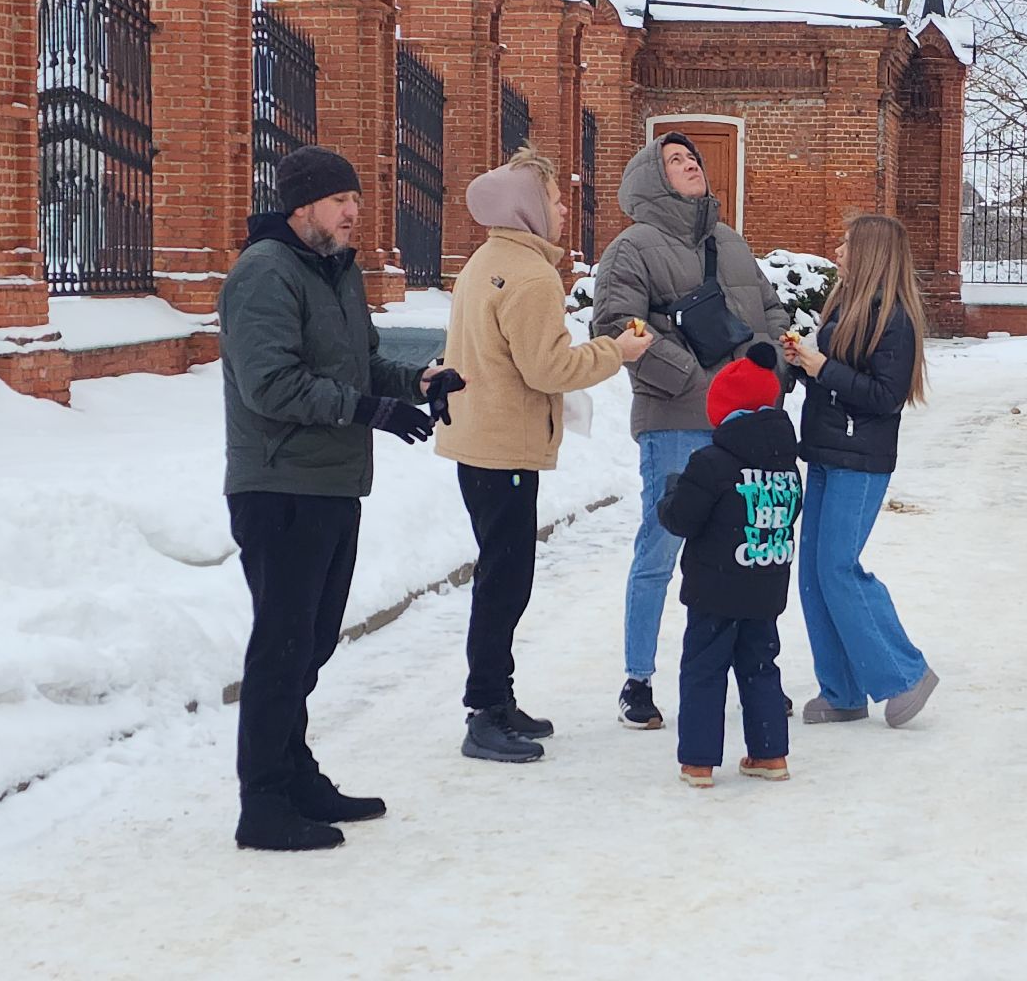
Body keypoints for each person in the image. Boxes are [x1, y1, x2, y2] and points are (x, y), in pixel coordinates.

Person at [218, 145, 458, 851]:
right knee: (282, 646)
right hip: (279, 485)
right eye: (340, 201)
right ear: (301, 208)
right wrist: (367, 412)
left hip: (328, 483)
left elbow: (359, 361)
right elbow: (272, 386)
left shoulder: (333, 272)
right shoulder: (264, 274)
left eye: (355, 199)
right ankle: (262, 800)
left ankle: (294, 775)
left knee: (310, 642)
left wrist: (414, 382)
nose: (355, 212)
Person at [435, 148, 654, 763]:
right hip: (502, 445)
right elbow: (548, 367)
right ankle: (485, 711)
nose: (563, 209)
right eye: (556, 199)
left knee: (502, 576)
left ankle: (497, 700)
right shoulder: (530, 275)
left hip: (480, 439)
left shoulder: (487, 260)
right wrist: (618, 352)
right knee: (504, 582)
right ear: (528, 208)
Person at [590, 133, 790, 730]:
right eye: (676, 160)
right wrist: (697, 382)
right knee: (660, 547)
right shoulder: (632, 249)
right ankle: (638, 679)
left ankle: (753, 671)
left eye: (694, 158)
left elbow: (772, 310)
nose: (691, 165)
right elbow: (618, 327)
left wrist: (766, 368)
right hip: (676, 419)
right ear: (653, 178)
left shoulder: (730, 242)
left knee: (746, 549)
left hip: (743, 425)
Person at [781, 215, 939, 728]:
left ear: (871, 252)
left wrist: (821, 367)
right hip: (827, 450)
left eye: (848, 243)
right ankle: (842, 690)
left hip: (861, 459)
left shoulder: (894, 319)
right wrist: (805, 361)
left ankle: (905, 672)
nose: (839, 248)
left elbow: (885, 396)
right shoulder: (846, 305)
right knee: (812, 576)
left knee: (838, 568)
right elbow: (839, 376)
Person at [658, 344, 802, 787]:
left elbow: (681, 518)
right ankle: (769, 753)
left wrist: (672, 492)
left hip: (714, 591)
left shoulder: (710, 464)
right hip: (765, 587)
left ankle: (699, 761)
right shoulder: (788, 467)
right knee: (761, 667)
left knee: (704, 668)